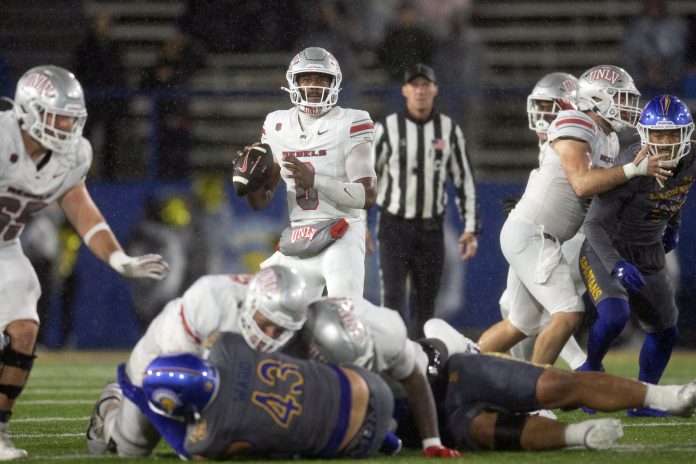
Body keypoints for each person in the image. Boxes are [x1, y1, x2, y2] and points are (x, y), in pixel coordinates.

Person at [0, 65, 169, 460]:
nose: (65, 126)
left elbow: (83, 212)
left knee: (24, 330)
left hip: (4, 245)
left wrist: (119, 258)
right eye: (56, 115)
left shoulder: (72, 155)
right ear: (27, 109)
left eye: (71, 118)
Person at [306, 299, 696, 452]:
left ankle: (666, 398)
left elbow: (422, 366)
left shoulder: (384, 329)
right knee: (484, 431)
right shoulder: (325, 390)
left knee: (555, 384)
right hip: (445, 421)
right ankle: (578, 437)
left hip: (453, 374)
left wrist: (426, 440)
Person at [477, 64, 670, 365]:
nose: (628, 107)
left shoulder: (610, 139)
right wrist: (633, 170)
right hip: (534, 234)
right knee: (568, 313)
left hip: (543, 236)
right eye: (620, 98)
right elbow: (582, 184)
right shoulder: (575, 122)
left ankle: (459, 367)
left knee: (521, 325)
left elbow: (603, 192)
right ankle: (535, 393)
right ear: (597, 98)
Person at [85, 265, 308, 457]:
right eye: (264, 323)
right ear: (252, 303)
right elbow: (181, 380)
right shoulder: (211, 299)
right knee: (130, 447)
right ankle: (111, 403)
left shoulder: (297, 328)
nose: (269, 335)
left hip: (222, 369)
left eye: (279, 330)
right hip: (162, 362)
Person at [577, 95, 696, 416]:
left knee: (666, 331)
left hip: (649, 251)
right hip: (607, 249)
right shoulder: (631, 165)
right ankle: (589, 370)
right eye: (658, 135)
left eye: (673, 134)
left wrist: (674, 223)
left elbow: (676, 192)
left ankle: (643, 401)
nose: (665, 143)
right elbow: (593, 225)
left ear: (687, 135)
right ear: (645, 135)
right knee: (615, 315)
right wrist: (615, 265)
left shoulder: (692, 158)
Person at [117, 332, 396, 459]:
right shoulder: (225, 344)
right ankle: (392, 435)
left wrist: (143, 401)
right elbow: (210, 340)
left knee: (274, 446)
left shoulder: (212, 434)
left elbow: (188, 450)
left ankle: (384, 436)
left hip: (357, 444)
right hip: (372, 386)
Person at [240, 46, 377, 301]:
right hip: (300, 235)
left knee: (344, 315)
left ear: (334, 83)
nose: (314, 86)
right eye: (307, 79)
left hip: (342, 232)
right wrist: (249, 180)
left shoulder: (351, 122)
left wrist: (316, 181)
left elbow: (367, 195)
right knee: (262, 307)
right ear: (294, 82)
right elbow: (261, 201)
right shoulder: (276, 124)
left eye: (322, 79)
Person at [372, 63, 479, 338]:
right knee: (393, 298)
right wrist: (358, 222)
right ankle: (394, 359)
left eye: (425, 85)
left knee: (425, 302)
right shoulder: (387, 129)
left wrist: (470, 227)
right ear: (405, 90)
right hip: (394, 224)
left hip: (431, 228)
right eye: (415, 85)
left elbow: (463, 179)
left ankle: (420, 364)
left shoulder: (448, 130)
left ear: (435, 89)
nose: (420, 91)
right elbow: (367, 179)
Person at [498, 72, 587, 369]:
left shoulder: (576, 136)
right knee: (517, 311)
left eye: (550, 107)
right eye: (539, 106)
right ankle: (521, 383)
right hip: (546, 231)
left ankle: (579, 367)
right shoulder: (555, 138)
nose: (542, 115)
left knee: (554, 310)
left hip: (572, 234)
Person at [305, 297, 461, 457]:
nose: (360, 376)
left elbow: (414, 379)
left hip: (389, 367)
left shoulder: (385, 334)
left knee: (426, 364)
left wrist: (432, 443)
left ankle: (448, 339)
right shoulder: (294, 343)